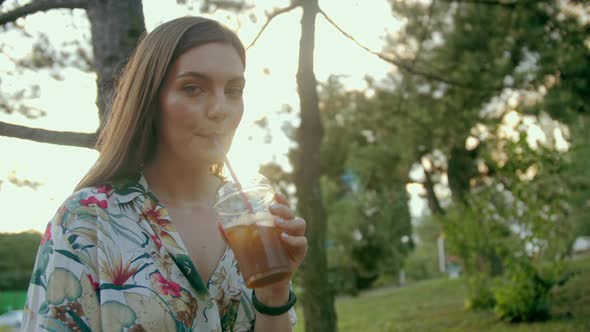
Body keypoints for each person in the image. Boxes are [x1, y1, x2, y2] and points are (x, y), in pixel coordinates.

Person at [22, 16, 307, 332]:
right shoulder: (86, 222)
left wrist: (274, 291)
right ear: (151, 99)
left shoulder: (251, 217)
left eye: (234, 90)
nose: (220, 109)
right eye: (193, 88)